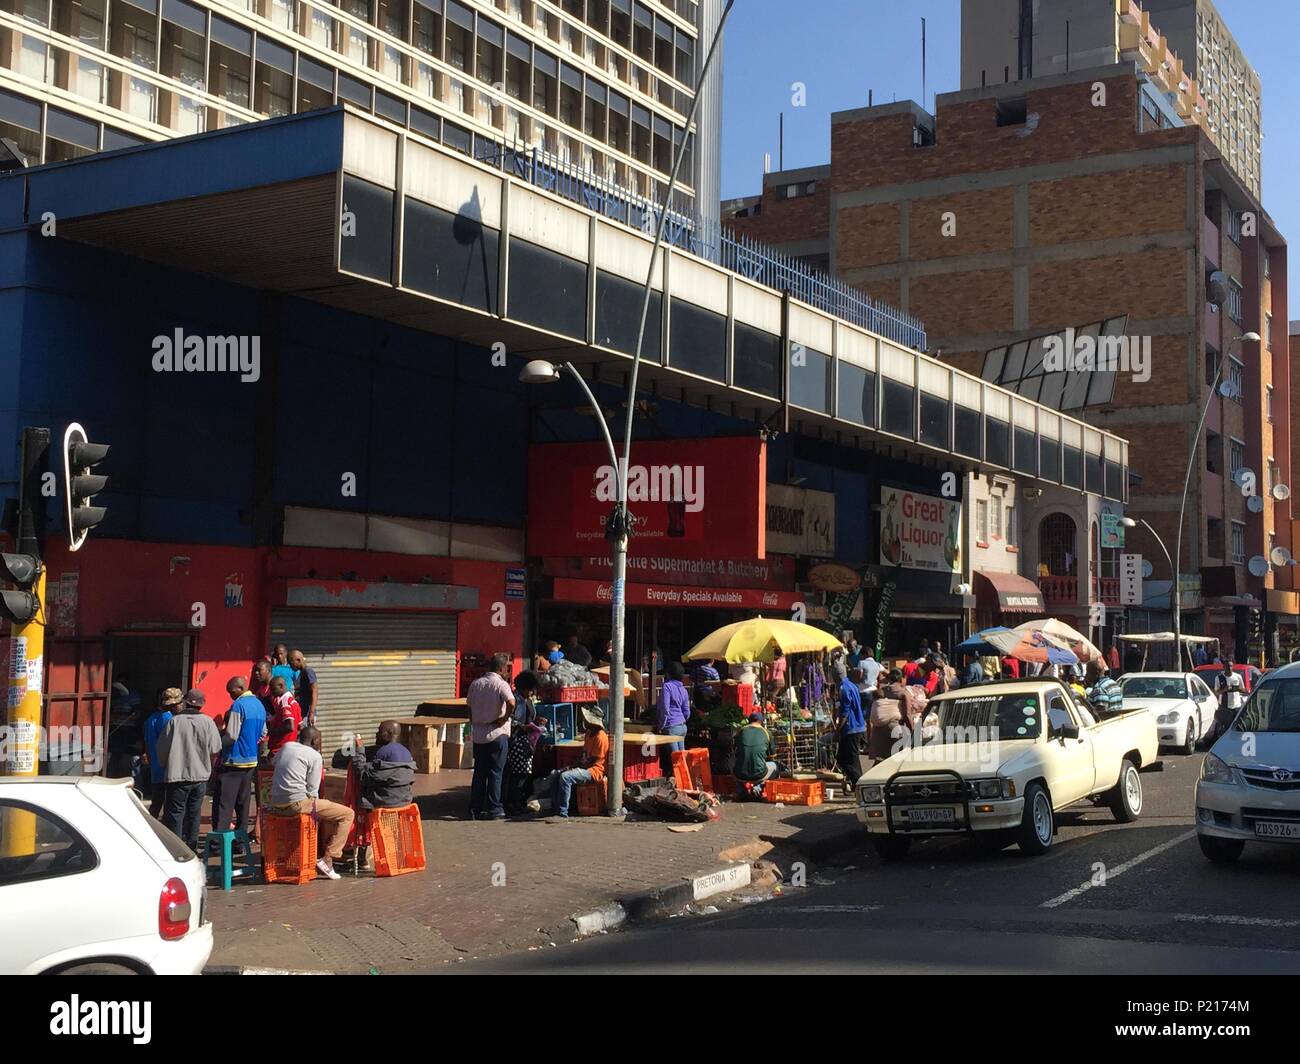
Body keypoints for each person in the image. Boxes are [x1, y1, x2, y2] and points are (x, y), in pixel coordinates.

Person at [267, 726, 354, 881]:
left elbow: (273, 762)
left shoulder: (286, 746)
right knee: (347, 814)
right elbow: (313, 791)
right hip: (297, 804)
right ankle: (329, 857)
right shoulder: (314, 756)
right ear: (315, 741)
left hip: (275, 804)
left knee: (321, 809)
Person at [157, 689, 222, 852]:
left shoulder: (174, 722)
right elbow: (216, 748)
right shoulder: (208, 722)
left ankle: (176, 849)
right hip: (200, 777)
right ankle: (191, 848)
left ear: (185, 702)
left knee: (175, 814)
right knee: (194, 813)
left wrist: (166, 766)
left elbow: (161, 749)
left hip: (177, 776)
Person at [214, 676, 266, 837]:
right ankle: (240, 842)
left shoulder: (238, 705)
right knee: (243, 804)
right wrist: (250, 742)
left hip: (233, 762)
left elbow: (231, 735)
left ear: (240, 688)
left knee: (224, 805)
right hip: (251, 761)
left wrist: (216, 744)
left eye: (231, 692)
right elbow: (263, 732)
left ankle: (218, 844)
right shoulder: (259, 705)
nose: (230, 696)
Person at [467, 651, 515, 820]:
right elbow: (511, 702)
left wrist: (474, 721)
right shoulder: (501, 685)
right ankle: (495, 808)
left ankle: (475, 809)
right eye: (506, 668)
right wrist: (504, 718)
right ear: (501, 669)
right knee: (496, 772)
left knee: (479, 773)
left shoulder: (476, 684)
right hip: (497, 734)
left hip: (479, 735)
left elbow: (469, 707)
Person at [550, 707, 609, 817]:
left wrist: (574, 768)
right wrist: (571, 766)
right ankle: (556, 808)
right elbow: (583, 755)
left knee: (565, 777)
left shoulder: (601, 737)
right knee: (554, 774)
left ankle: (563, 812)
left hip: (594, 770)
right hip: (584, 766)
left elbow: (592, 761)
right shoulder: (588, 734)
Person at [348, 721, 416, 810]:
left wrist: (360, 750)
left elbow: (363, 775)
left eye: (379, 732)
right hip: (404, 800)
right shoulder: (406, 751)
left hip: (386, 802)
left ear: (386, 735)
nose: (376, 735)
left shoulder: (383, 752)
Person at [141, 688, 182, 818]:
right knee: (170, 804)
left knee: (156, 802)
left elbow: (147, 743)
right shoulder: (169, 719)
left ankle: (150, 824)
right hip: (168, 767)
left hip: (156, 766)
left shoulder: (150, 719)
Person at [656, 660, 692, 774]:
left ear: (668, 674)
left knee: (676, 761)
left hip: (671, 727)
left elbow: (665, 709)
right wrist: (682, 720)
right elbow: (687, 711)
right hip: (682, 727)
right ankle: (684, 785)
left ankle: (677, 785)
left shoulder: (667, 686)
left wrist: (661, 726)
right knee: (682, 759)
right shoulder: (684, 689)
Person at [834, 667, 868, 786]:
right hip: (857, 726)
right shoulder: (851, 685)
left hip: (851, 728)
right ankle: (858, 783)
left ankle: (859, 782)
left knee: (844, 759)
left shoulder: (844, 688)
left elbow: (845, 712)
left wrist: (838, 730)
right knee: (853, 759)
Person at [733, 708, 777, 796]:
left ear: (749, 721)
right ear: (761, 722)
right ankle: (759, 787)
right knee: (775, 766)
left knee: (731, 760)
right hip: (759, 774)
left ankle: (741, 789)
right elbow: (772, 755)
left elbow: (735, 750)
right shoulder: (767, 732)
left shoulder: (741, 731)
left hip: (740, 774)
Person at [266, 677, 302, 758]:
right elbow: (300, 726)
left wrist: (272, 731)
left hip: (281, 748)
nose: (271, 692)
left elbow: (290, 726)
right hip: (290, 747)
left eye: (273, 689)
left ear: (281, 686)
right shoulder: (294, 702)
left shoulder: (285, 702)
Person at [289, 649, 318, 726]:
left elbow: (314, 692)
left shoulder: (308, 672)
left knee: (306, 736)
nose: (290, 666)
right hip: (303, 713)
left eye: (291, 663)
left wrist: (311, 713)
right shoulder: (302, 673)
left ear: (298, 660)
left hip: (307, 714)